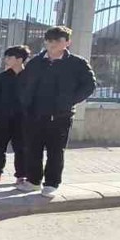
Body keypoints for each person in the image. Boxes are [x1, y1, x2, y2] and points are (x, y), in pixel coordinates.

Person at [18, 26, 96, 197]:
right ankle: (33, 181)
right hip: (34, 114)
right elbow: (23, 84)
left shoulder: (77, 64)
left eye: (57, 41)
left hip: (60, 116)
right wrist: (25, 103)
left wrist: (68, 101)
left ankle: (51, 184)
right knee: (33, 149)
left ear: (67, 42)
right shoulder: (36, 62)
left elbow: (89, 85)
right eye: (49, 40)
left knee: (55, 151)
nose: (52, 44)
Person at [0, 45, 31, 184]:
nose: (6, 59)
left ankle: (21, 175)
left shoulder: (30, 77)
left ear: (19, 59)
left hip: (22, 119)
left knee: (21, 147)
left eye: (9, 57)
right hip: (2, 118)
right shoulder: (2, 78)